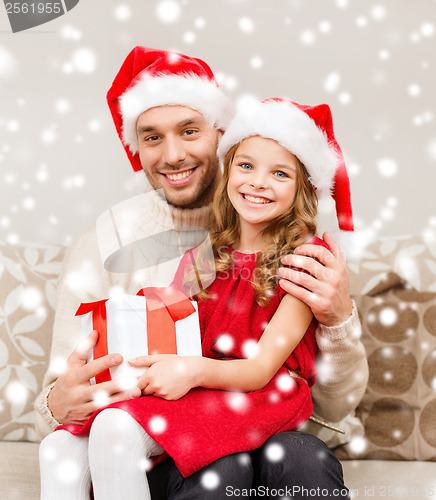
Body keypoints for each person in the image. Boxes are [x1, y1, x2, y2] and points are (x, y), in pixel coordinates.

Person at [35, 47, 368, 499]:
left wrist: (339, 317)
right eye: (152, 137)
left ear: (219, 135)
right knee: (77, 444)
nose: (173, 154)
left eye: (189, 131)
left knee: (298, 457)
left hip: (257, 408)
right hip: (189, 401)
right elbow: (171, 321)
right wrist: (64, 401)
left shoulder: (305, 259)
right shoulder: (192, 251)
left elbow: (318, 398)